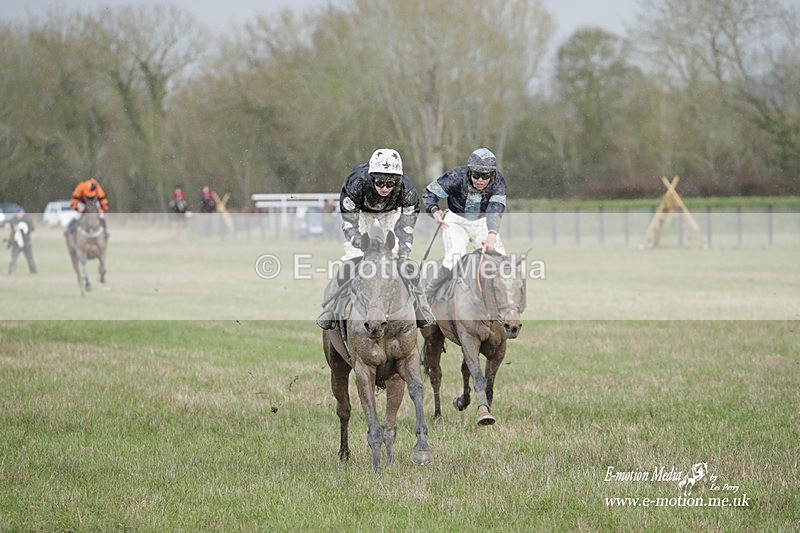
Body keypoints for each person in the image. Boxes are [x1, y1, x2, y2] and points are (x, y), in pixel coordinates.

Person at [316, 148, 434, 330]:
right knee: (351, 259)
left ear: (399, 181)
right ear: (371, 177)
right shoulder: (356, 183)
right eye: (380, 182)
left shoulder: (408, 191)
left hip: (391, 213)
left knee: (404, 262)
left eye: (391, 183)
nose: (385, 188)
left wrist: (402, 252)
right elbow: (349, 222)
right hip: (361, 213)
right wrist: (362, 244)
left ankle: (421, 306)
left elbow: (406, 227)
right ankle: (332, 307)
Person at [422, 147, 508, 298]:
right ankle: (428, 294)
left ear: (492, 174)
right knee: (455, 256)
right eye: (476, 175)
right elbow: (430, 192)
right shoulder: (456, 176)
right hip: (456, 221)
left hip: (483, 222)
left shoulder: (498, 181)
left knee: (500, 259)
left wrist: (493, 233)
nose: (480, 180)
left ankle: (503, 304)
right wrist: (435, 211)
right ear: (469, 172)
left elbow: (495, 208)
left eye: (485, 176)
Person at [7, 206, 37, 274]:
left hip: (26, 242)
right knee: (13, 258)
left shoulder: (27, 219)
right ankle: (10, 272)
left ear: (23, 212)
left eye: (20, 212)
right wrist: (10, 241)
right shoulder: (14, 219)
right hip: (16, 242)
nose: (18, 214)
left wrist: (25, 230)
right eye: (17, 212)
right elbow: (12, 232)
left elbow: (32, 228)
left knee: (30, 258)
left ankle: (33, 272)